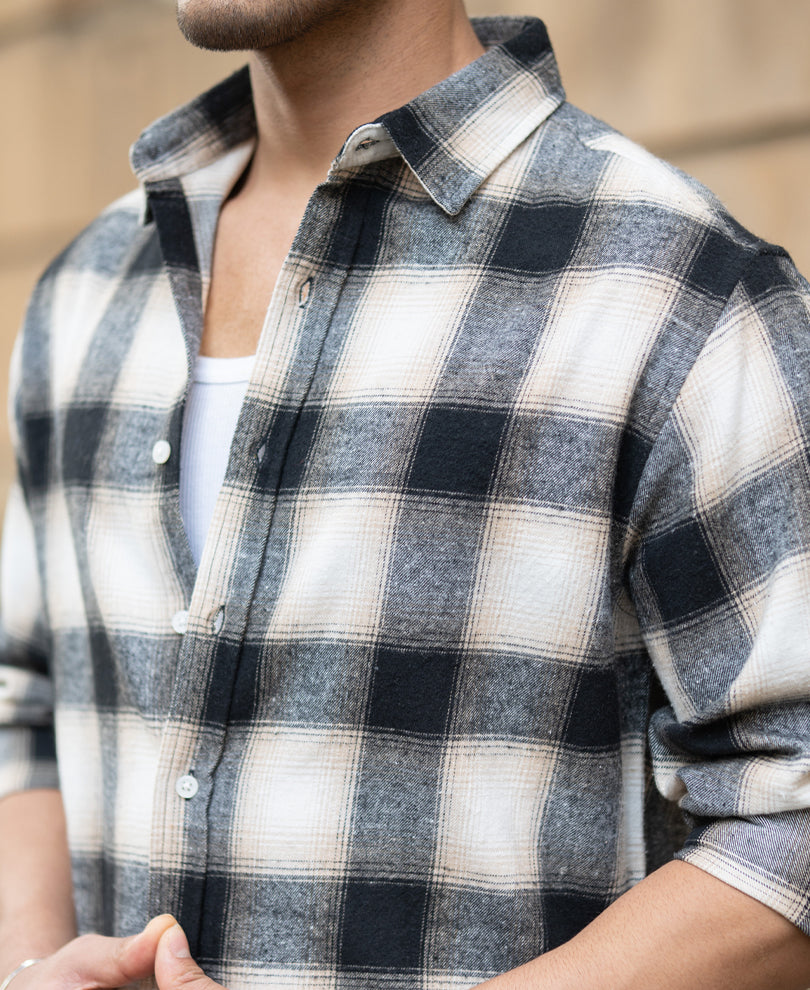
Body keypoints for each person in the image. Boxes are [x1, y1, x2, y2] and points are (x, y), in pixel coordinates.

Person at [1, 1, 809, 987]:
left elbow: (793, 814)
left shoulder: (676, 287)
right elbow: (27, 707)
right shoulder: (86, 295)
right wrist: (30, 966)